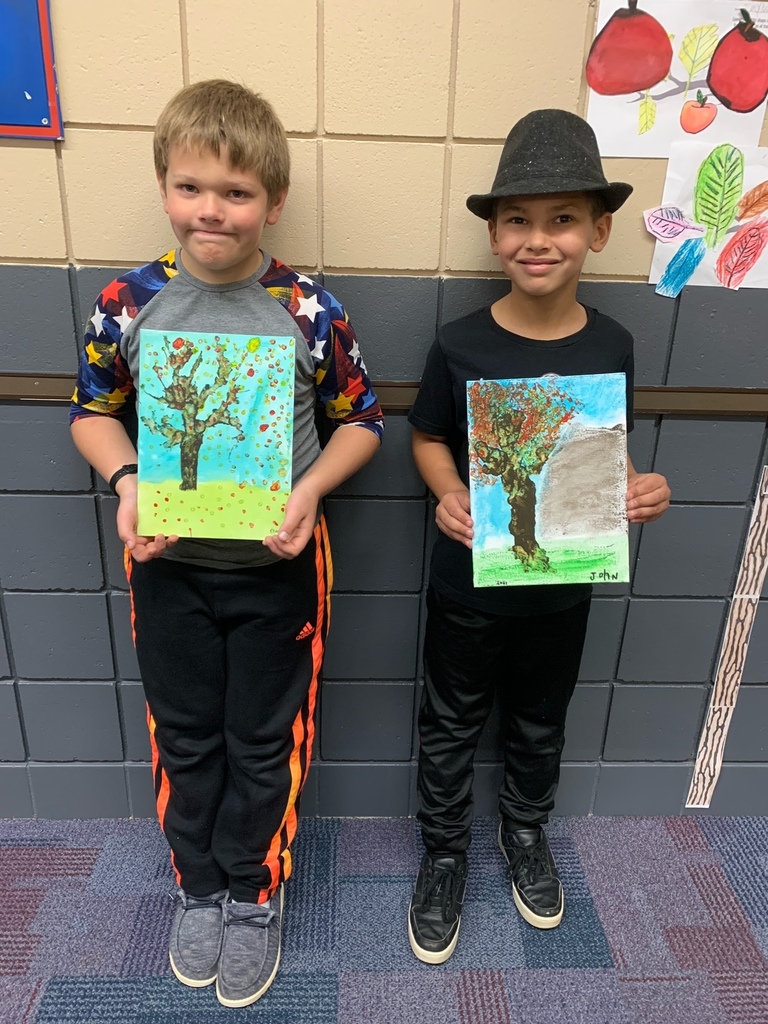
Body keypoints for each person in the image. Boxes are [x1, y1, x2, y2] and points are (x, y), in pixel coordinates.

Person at [70, 79, 383, 1006]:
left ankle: (253, 893)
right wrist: (128, 484)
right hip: (168, 569)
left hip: (278, 570)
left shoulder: (308, 309)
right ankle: (198, 887)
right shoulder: (130, 305)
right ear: (164, 186)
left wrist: (311, 490)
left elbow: (361, 421)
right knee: (186, 735)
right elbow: (92, 414)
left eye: (237, 193)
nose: (212, 209)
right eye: (191, 186)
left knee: (264, 737)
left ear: (272, 202)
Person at [406, 109, 670, 964]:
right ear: (492, 235)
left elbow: (606, 457)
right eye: (518, 219)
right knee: (450, 722)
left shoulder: (615, 346)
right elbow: (427, 436)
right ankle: (443, 854)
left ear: (599, 230)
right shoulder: (460, 343)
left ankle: (525, 834)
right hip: (466, 583)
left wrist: (637, 494)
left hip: (564, 585)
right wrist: (448, 494)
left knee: (539, 719)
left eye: (562, 219)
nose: (538, 238)